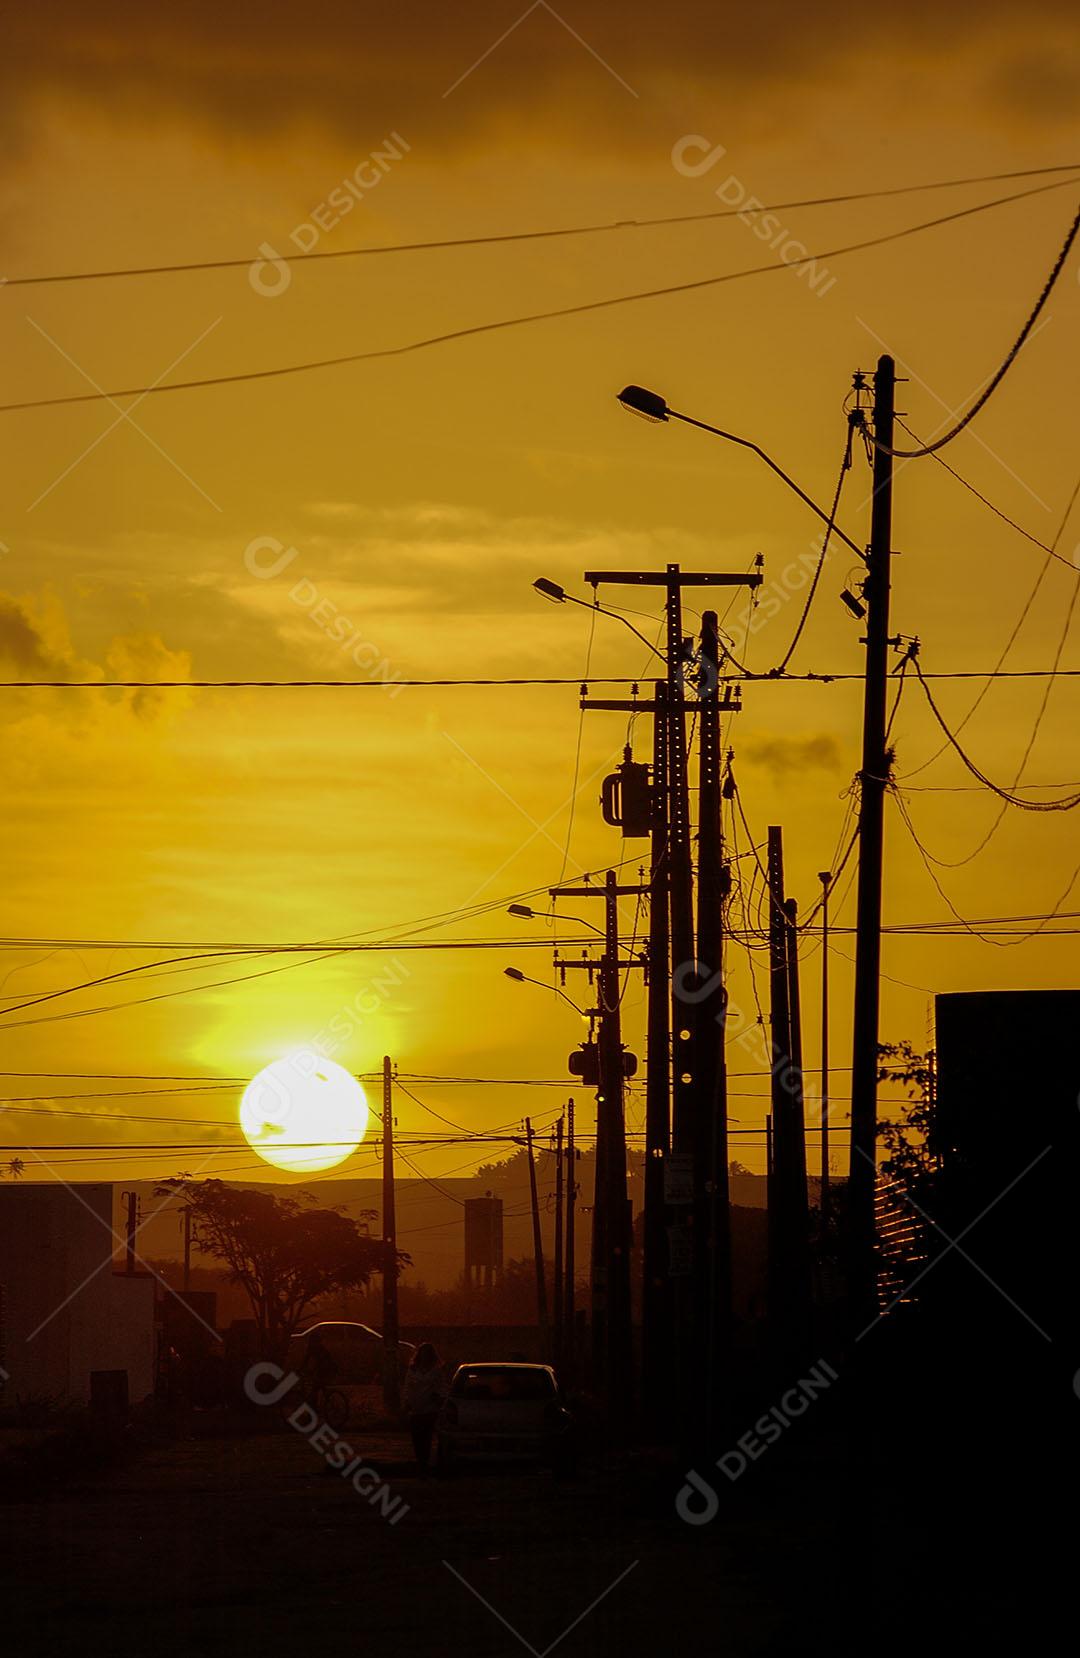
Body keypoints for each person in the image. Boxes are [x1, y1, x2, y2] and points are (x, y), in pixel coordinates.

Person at [403, 1342, 445, 1473]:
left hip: (429, 1410)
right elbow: (407, 1387)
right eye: (423, 1354)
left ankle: (424, 1465)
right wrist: (407, 1402)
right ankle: (421, 1463)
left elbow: (441, 1387)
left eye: (427, 1354)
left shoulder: (436, 1371)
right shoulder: (412, 1370)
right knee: (417, 1439)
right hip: (415, 1409)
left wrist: (437, 1397)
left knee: (426, 1439)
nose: (424, 1357)